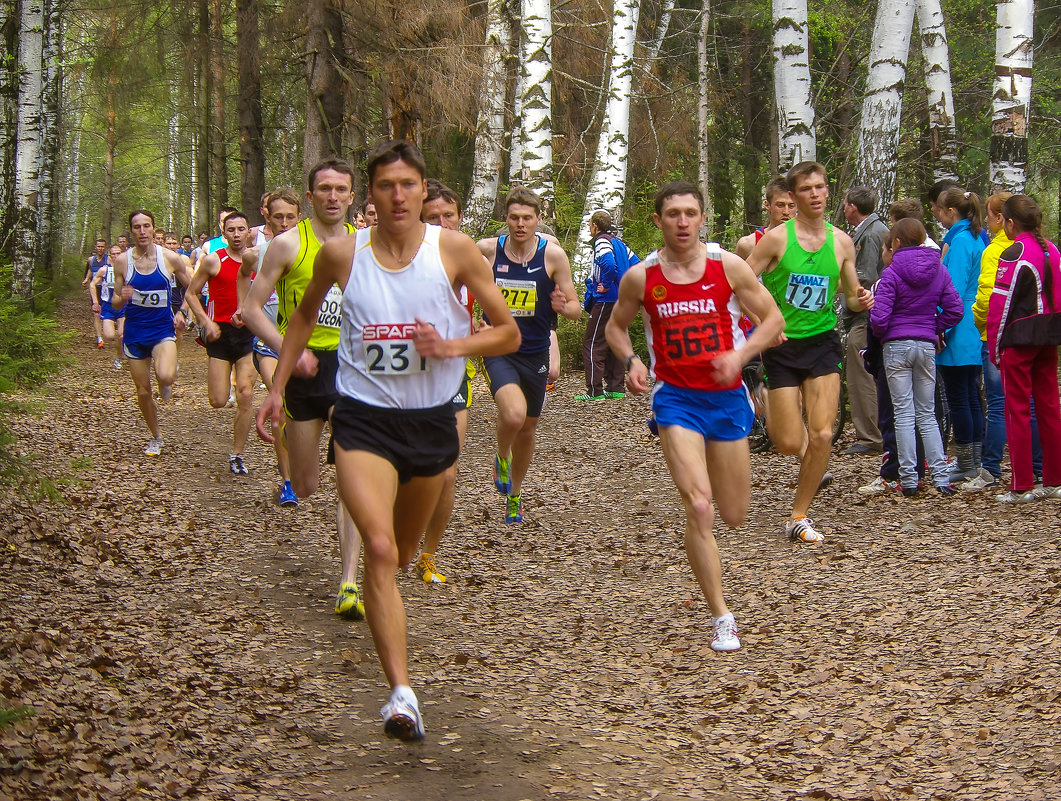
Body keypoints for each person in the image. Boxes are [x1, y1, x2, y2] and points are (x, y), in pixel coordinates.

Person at [262, 139, 520, 741]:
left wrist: (452, 346)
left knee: (401, 554)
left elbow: (506, 333)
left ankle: (396, 632)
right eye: (386, 185)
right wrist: (276, 386)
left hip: (431, 421)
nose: (398, 195)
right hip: (363, 418)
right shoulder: (341, 254)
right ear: (370, 197)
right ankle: (401, 694)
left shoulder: (452, 250)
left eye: (409, 185)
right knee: (378, 551)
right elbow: (301, 319)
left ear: (423, 191)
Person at [605, 180, 785, 652]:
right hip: (675, 398)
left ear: (703, 217)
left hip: (725, 398)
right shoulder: (641, 277)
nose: (682, 222)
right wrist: (631, 361)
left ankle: (711, 557)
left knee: (734, 513)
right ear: (659, 221)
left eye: (690, 213)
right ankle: (721, 615)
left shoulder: (729, 266)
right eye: (672, 214)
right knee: (700, 506)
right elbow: (616, 327)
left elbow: (773, 320)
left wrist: (741, 354)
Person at [244, 159, 365, 619]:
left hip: (354, 367)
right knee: (306, 483)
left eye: (341, 189)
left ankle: (350, 580)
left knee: (353, 468)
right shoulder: (287, 244)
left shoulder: (369, 246)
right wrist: (287, 350)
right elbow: (254, 309)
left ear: (353, 197)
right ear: (310, 196)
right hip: (304, 369)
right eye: (324, 189)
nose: (333, 197)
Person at [746, 161, 873, 544]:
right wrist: (766, 323)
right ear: (793, 196)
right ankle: (799, 459)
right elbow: (741, 283)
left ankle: (799, 515)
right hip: (784, 346)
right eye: (806, 189)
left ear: (828, 190)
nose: (815, 194)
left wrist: (860, 298)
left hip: (822, 342)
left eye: (820, 187)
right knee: (786, 439)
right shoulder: (776, 240)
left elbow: (850, 296)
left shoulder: (842, 242)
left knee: (822, 433)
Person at [477, 187, 582, 523]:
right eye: (514, 217)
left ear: (538, 219)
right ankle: (501, 456)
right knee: (512, 415)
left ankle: (515, 493)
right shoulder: (488, 251)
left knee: (529, 428)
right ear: (505, 219)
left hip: (535, 350)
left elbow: (577, 309)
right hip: (498, 347)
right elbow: (451, 273)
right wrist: (468, 317)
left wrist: (564, 307)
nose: (520, 224)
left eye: (527, 218)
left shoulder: (552, 256)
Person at [869, 218, 963, 497]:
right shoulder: (939, 270)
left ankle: (909, 478)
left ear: (896, 242)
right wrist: (932, 326)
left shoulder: (891, 272)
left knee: (903, 413)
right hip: (925, 345)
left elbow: (879, 318)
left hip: (896, 346)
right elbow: (955, 310)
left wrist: (886, 332)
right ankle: (941, 477)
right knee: (928, 413)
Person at [413, 179, 474, 584]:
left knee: (447, 472)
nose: (441, 223)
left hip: (453, 376)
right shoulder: (404, 257)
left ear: (459, 217)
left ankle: (429, 554)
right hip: (403, 377)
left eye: (447, 216)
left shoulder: (471, 256)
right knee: (409, 470)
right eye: (432, 217)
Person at [986, 195, 1061, 503]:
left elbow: (999, 306)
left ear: (1011, 223)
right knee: (1050, 407)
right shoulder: (1053, 249)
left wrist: (995, 345)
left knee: (1016, 410)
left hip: (1019, 338)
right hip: (1049, 335)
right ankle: (1054, 480)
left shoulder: (1014, 252)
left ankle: (1021, 485)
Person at [237, 188, 302, 507]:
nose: (285, 222)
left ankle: (297, 462)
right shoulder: (257, 253)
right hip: (268, 344)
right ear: (267, 217)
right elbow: (241, 274)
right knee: (281, 407)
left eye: (291, 216)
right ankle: (287, 481)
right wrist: (242, 306)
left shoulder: (312, 250)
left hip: (305, 345)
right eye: (278, 217)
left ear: (300, 217)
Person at [110, 210, 194, 455]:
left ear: (154, 229)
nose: (142, 231)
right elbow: (115, 301)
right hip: (135, 333)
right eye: (137, 227)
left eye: (147, 226)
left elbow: (194, 288)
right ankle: (156, 437)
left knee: (166, 377)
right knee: (143, 391)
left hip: (161, 329)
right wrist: (121, 297)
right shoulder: (122, 262)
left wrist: (184, 312)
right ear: (132, 231)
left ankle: (165, 378)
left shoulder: (169, 258)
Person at [185, 211, 257, 475]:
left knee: (246, 393)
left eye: (241, 229)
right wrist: (206, 322)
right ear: (223, 233)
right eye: (231, 230)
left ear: (249, 231)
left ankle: (237, 454)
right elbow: (191, 293)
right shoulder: (214, 260)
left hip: (249, 332)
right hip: (220, 333)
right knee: (217, 400)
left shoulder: (259, 259)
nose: (237, 235)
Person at [932, 188, 986, 484]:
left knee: (959, 397)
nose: (937, 216)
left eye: (939, 211)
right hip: (973, 324)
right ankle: (974, 458)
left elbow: (949, 287)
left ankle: (966, 461)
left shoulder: (960, 241)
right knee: (971, 395)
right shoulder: (977, 236)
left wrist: (941, 327)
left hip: (959, 325)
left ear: (951, 211)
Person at [840, 185, 886, 454]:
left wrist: (838, 285)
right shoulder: (873, 231)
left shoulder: (869, 235)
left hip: (865, 315)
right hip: (870, 315)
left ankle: (870, 437)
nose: (844, 208)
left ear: (853, 207)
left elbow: (864, 277)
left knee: (861, 375)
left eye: (845, 203)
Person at [577, 210, 640, 401]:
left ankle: (594, 391)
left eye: (590, 225)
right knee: (615, 339)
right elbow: (637, 264)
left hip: (606, 300)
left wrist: (605, 283)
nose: (590, 228)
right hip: (621, 300)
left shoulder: (601, 242)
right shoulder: (619, 243)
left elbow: (609, 265)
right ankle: (616, 387)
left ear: (595, 226)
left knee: (592, 342)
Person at [734, 177, 796, 260]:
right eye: (780, 205)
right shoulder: (748, 244)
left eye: (791, 206)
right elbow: (735, 273)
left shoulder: (806, 243)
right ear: (767, 205)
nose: (786, 212)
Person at [89, 245, 126, 370]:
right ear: (109, 256)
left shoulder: (128, 269)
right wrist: (95, 302)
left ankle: (119, 358)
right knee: (109, 336)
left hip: (123, 306)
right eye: (113, 254)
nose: (116, 256)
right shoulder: (104, 270)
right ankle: (120, 349)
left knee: (121, 335)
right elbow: (92, 284)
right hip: (108, 306)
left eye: (118, 253)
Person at [84, 239, 109, 348]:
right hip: (95, 289)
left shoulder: (109, 259)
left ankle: (109, 332)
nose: (100, 249)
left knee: (107, 312)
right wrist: (86, 279)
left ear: (105, 248)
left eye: (102, 247)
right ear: (95, 247)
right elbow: (90, 270)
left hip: (107, 289)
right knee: (96, 313)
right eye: (98, 246)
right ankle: (100, 338)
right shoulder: (91, 259)